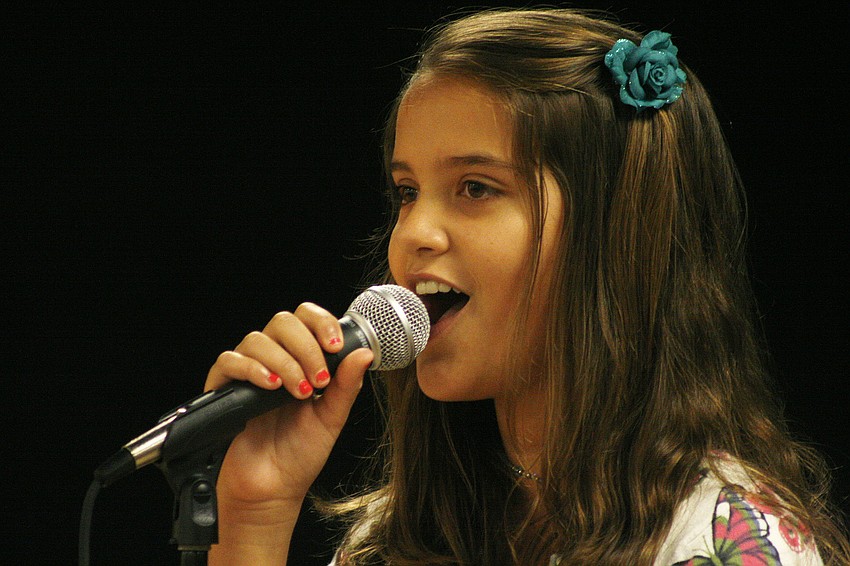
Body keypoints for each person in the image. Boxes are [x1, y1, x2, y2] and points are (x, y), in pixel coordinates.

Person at [204, 8, 850, 565]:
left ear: (612, 235)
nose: (414, 235)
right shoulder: (393, 540)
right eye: (406, 193)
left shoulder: (728, 540)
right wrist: (255, 517)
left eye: (476, 188)